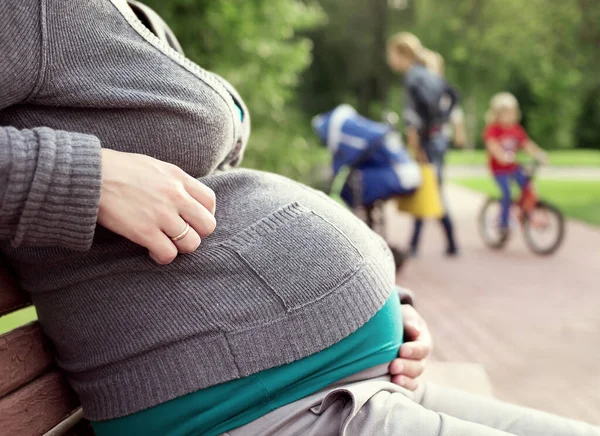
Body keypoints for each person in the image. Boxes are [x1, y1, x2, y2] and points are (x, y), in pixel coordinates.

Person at [1, 2, 598, 435]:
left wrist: (388, 303)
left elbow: (226, 201)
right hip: (255, 404)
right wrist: (91, 179)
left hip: (336, 378)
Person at [387, 32, 460, 257]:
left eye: (391, 54)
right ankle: (427, 244)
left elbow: (413, 115)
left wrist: (416, 138)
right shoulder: (429, 75)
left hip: (427, 140)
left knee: (428, 188)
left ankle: (424, 245)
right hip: (438, 138)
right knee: (431, 187)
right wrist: (443, 118)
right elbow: (454, 96)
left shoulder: (412, 77)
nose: (390, 60)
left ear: (402, 54)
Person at [483, 92, 549, 237]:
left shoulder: (516, 130)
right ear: (497, 114)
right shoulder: (493, 129)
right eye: (505, 113)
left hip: (513, 166)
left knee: (528, 186)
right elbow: (492, 145)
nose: (509, 116)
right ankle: (503, 222)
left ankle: (525, 212)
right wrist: (501, 156)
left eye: (511, 113)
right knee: (507, 192)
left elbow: (527, 145)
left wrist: (539, 154)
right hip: (499, 169)